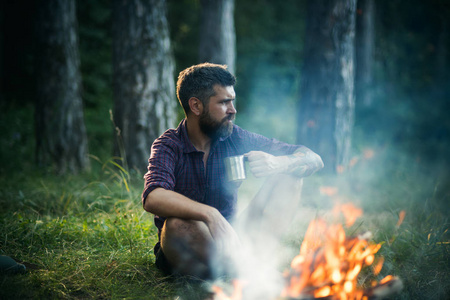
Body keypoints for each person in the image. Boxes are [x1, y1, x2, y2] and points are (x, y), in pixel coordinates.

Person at [142, 63, 323, 279]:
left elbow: (313, 158)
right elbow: (153, 196)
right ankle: (260, 276)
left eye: (232, 101)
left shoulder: (235, 137)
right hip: (187, 253)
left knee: (289, 177)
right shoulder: (169, 144)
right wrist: (211, 215)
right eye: (224, 102)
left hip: (234, 239)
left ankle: (250, 267)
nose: (233, 110)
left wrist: (280, 164)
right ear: (196, 106)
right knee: (176, 224)